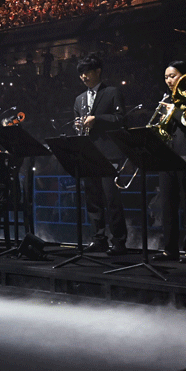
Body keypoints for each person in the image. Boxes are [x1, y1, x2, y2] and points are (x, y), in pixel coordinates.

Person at [73, 54, 128, 255]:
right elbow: (78, 123)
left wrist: (98, 119)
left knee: (112, 199)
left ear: (98, 71)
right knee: (93, 200)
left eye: (87, 72)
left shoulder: (112, 92)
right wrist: (78, 125)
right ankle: (99, 238)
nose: (84, 77)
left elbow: (120, 118)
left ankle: (119, 241)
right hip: (89, 153)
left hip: (109, 154)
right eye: (81, 74)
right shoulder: (79, 99)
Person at [154, 61, 186, 263]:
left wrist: (172, 111)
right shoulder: (168, 98)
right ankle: (170, 249)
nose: (168, 80)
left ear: (184, 76)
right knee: (167, 205)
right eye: (166, 76)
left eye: (172, 76)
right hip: (168, 157)